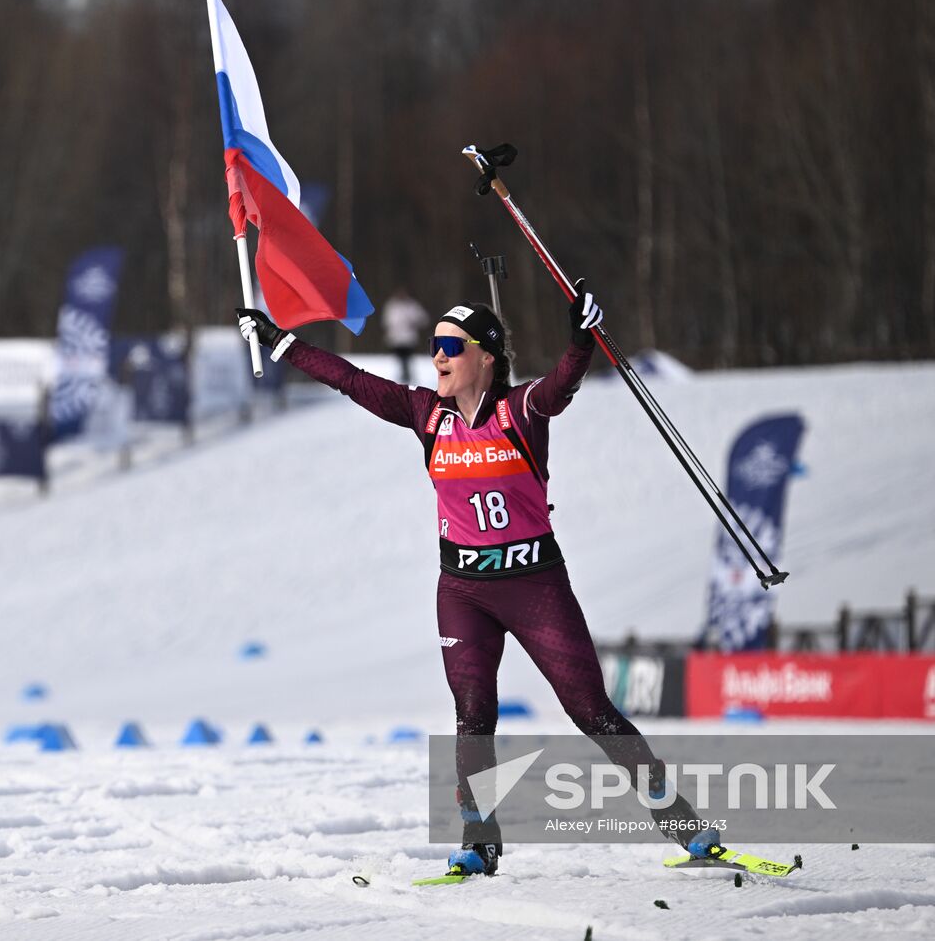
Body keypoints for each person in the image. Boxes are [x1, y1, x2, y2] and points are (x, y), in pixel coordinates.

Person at [237, 286, 717, 877]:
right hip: (462, 589)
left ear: (485, 357)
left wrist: (580, 335)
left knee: (592, 711)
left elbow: (564, 381)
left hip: (535, 585)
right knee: (472, 717)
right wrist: (281, 342)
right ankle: (479, 841)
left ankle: (686, 828)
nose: (437, 357)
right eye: (435, 345)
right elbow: (352, 381)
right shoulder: (426, 415)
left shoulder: (521, 411)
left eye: (449, 347)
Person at [380, 287, 430, 384]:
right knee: (400, 359)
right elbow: (386, 321)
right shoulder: (391, 306)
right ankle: (404, 377)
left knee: (407, 359)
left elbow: (423, 319)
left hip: (408, 339)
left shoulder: (412, 305)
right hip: (396, 339)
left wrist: (413, 322)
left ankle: (407, 377)